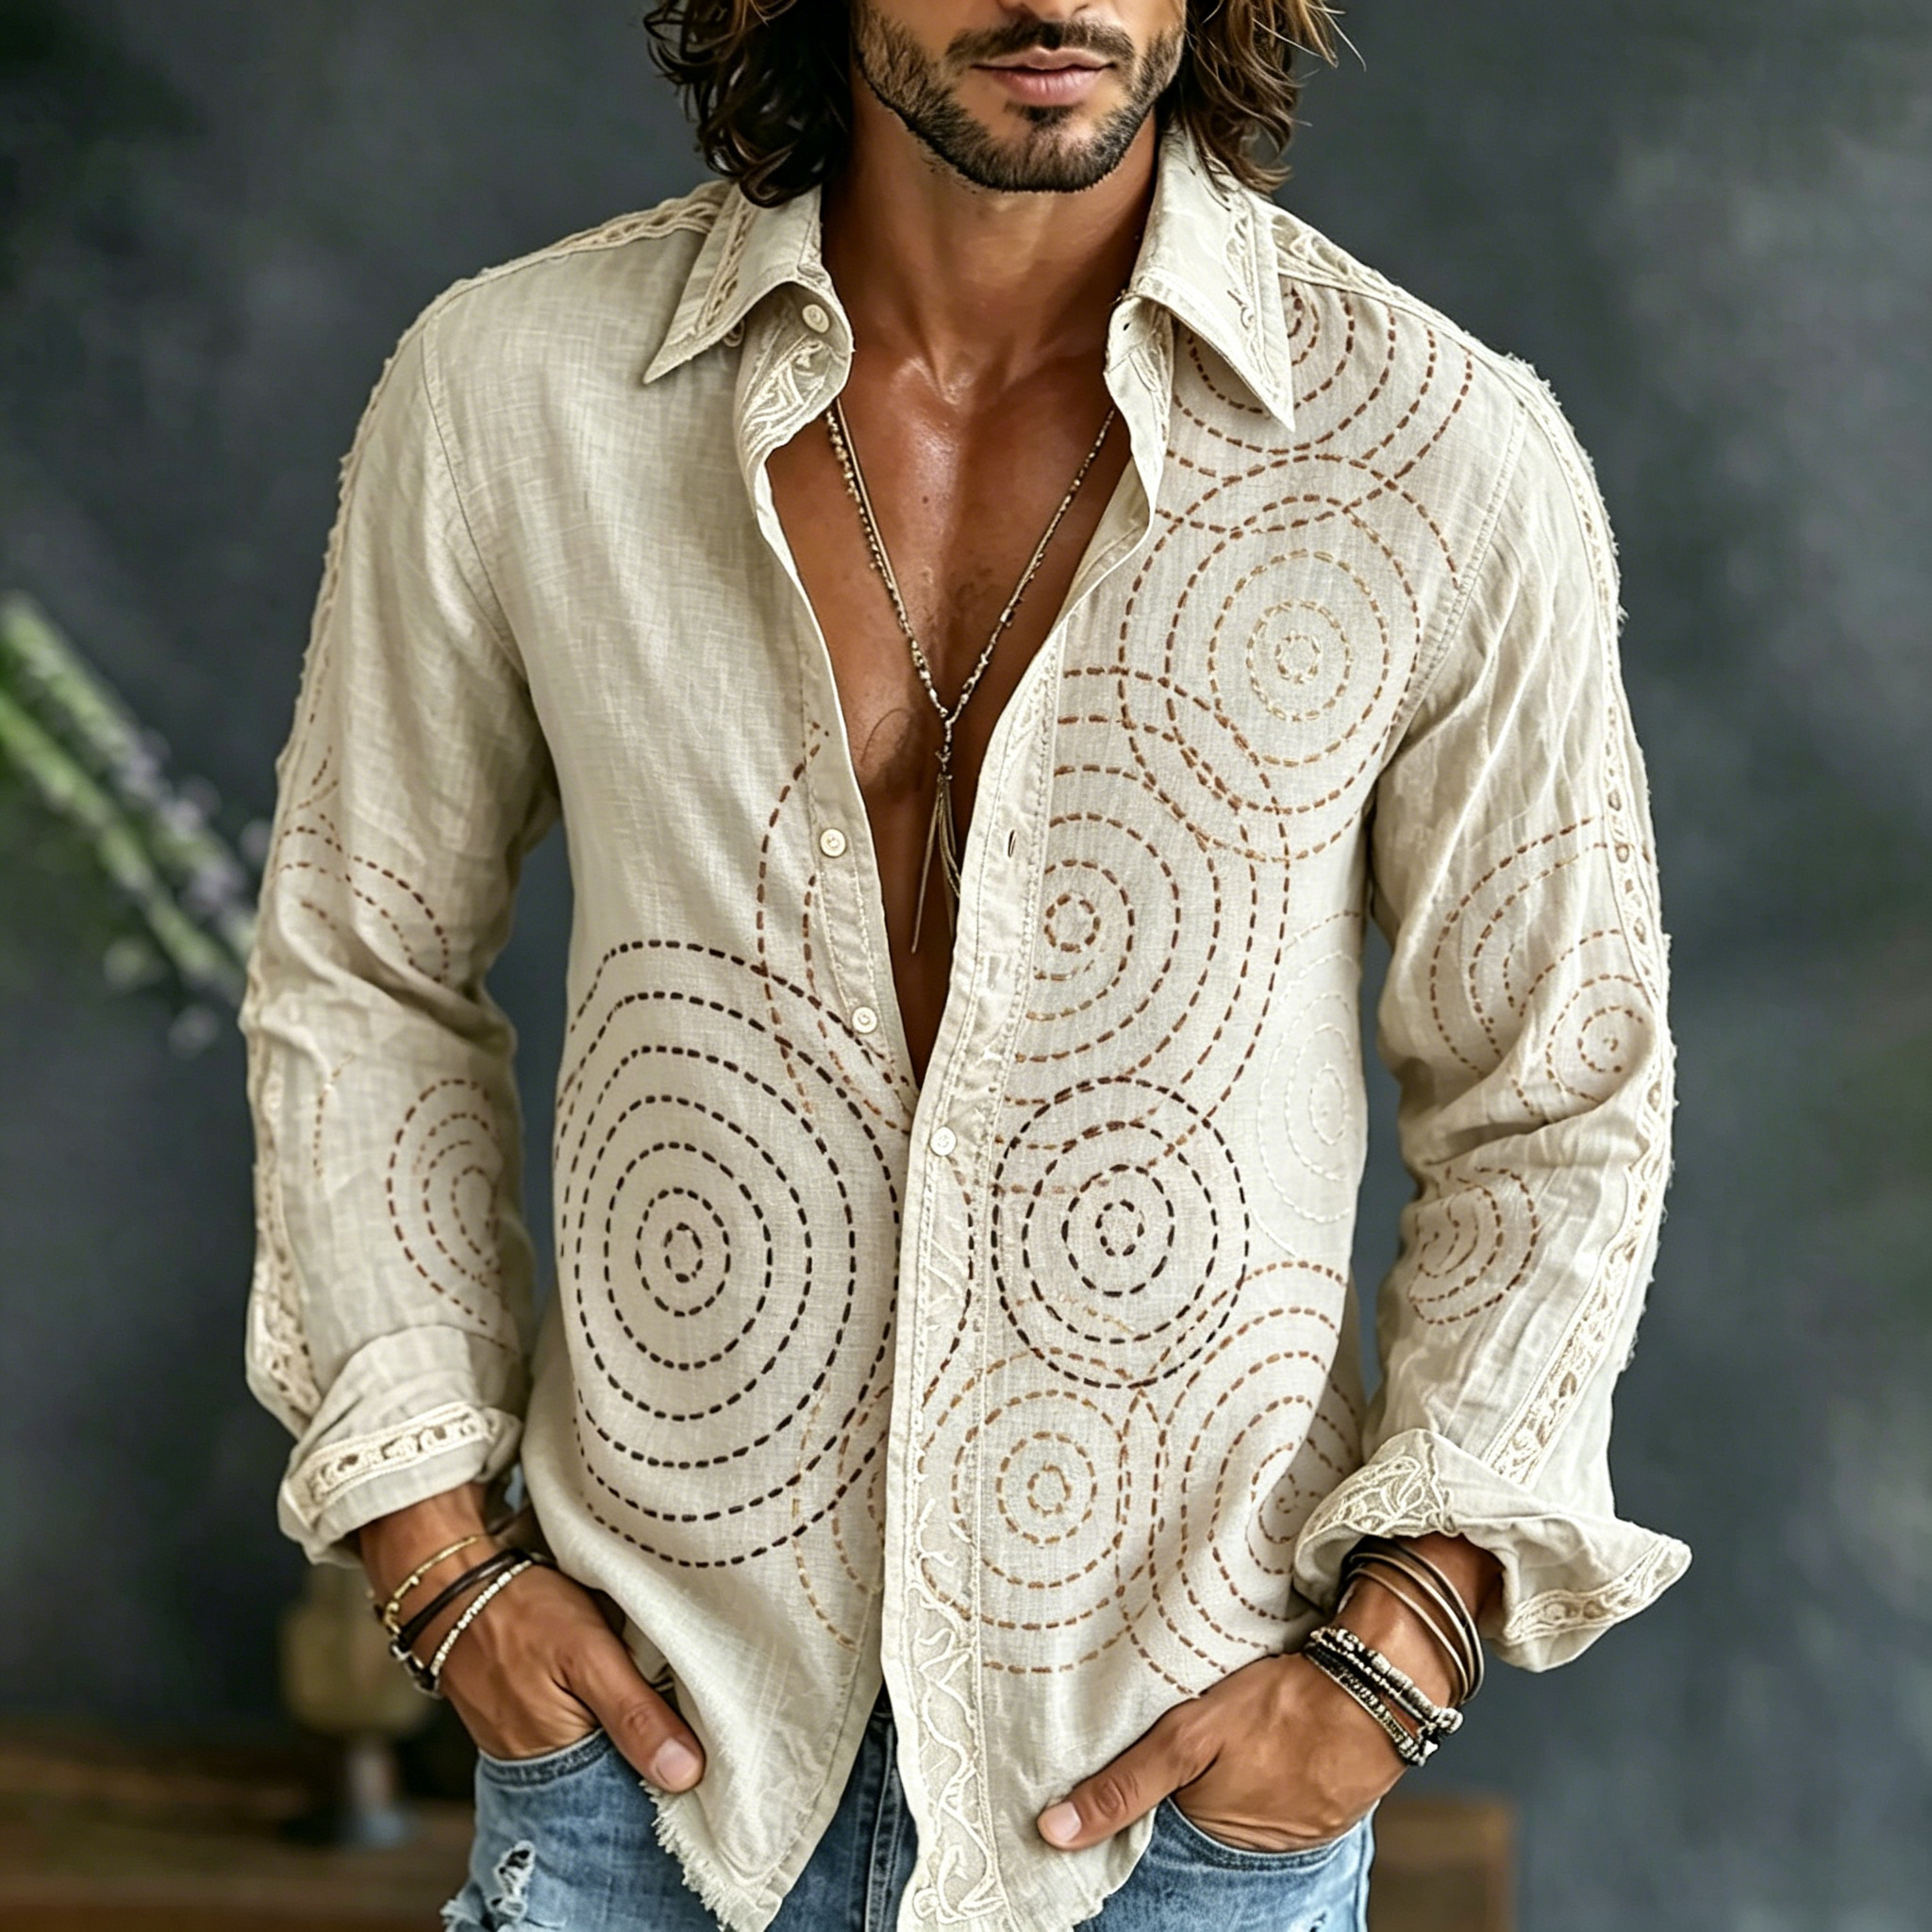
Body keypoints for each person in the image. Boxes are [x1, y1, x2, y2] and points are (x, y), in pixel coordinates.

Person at [237, 0, 1691, 1925]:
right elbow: (363, 969)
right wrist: (441, 1562)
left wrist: (1392, 1657)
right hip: (648, 1782)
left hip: (1172, 1806)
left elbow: (1556, 1092)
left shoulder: (1435, 456)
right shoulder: (518, 393)